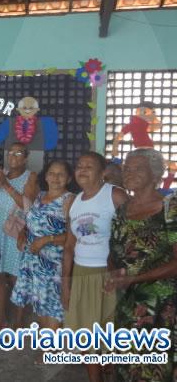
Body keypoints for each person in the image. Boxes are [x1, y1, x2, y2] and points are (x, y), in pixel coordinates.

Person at [107, 149, 177, 381]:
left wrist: (134, 279)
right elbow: (114, 251)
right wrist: (112, 273)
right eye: (127, 168)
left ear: (155, 174)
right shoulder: (122, 210)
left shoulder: (170, 208)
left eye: (138, 168)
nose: (129, 172)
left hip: (161, 307)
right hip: (127, 302)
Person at [62, 152, 129, 382]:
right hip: (81, 273)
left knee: (111, 334)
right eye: (79, 165)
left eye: (89, 166)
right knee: (86, 338)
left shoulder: (115, 195)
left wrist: (123, 272)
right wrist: (66, 283)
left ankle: (111, 372)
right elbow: (69, 246)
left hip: (109, 274)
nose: (82, 170)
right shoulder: (73, 201)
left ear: (102, 173)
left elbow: (134, 237)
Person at [11, 160, 75, 329]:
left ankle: (52, 352)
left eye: (61, 174)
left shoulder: (69, 200)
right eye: (52, 173)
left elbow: (75, 235)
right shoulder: (40, 195)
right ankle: (46, 348)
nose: (56, 178)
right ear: (46, 176)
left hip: (54, 264)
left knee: (54, 308)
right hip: (33, 261)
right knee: (40, 304)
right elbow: (32, 220)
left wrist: (47, 240)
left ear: (69, 179)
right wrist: (23, 231)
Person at [0, 142, 38, 328]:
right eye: (11, 152)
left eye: (19, 153)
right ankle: (2, 318)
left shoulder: (30, 176)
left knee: (17, 275)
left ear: (26, 157)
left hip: (17, 232)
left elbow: (29, 206)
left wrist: (7, 186)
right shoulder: (2, 175)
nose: (13, 156)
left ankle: (18, 321)